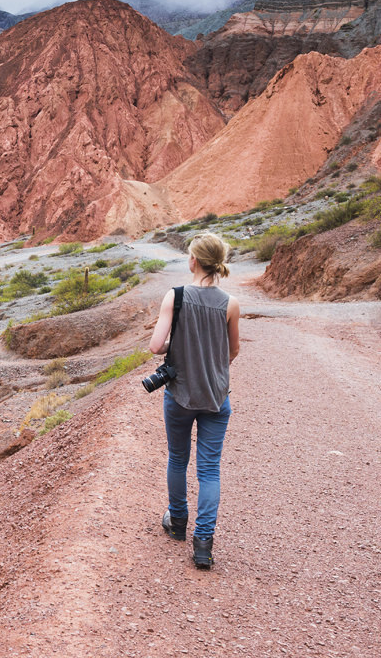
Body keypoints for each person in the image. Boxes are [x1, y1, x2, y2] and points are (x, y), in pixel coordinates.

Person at [148, 232, 240, 569]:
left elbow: (156, 347)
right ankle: (203, 545)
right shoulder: (230, 303)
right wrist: (212, 370)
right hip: (216, 397)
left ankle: (178, 523)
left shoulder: (176, 297)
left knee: (178, 458)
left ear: (193, 261)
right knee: (210, 471)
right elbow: (233, 350)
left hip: (181, 395)